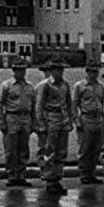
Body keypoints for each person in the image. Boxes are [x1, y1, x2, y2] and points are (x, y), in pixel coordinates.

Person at [35, 56, 73, 195]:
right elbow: (39, 106)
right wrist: (41, 124)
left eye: (61, 69)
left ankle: (57, 178)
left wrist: (70, 120)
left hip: (62, 117)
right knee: (49, 150)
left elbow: (69, 103)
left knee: (61, 151)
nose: (60, 72)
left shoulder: (65, 85)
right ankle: (50, 179)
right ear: (51, 71)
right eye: (57, 69)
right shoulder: (45, 85)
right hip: (51, 117)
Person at [0, 57, 36, 187]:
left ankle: (21, 174)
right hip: (12, 117)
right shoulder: (7, 85)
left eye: (23, 70)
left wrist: (33, 122)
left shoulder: (30, 87)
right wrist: (1, 121)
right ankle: (12, 174)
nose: (21, 73)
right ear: (13, 71)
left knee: (23, 148)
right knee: (11, 148)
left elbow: (33, 106)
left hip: (25, 118)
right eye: (18, 70)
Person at [72, 61, 104, 185]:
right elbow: (74, 103)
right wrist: (76, 120)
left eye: (96, 71)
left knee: (96, 148)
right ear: (87, 72)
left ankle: (92, 173)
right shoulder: (80, 86)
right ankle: (84, 173)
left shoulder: (100, 86)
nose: (94, 74)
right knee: (85, 148)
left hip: (98, 118)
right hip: (86, 118)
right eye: (91, 71)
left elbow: (102, 103)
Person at [33, 62, 53, 177]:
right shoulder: (41, 86)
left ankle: (50, 170)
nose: (47, 73)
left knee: (52, 146)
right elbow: (36, 105)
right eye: (46, 71)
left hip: (53, 117)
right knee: (43, 145)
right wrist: (38, 122)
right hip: (44, 117)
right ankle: (44, 169)